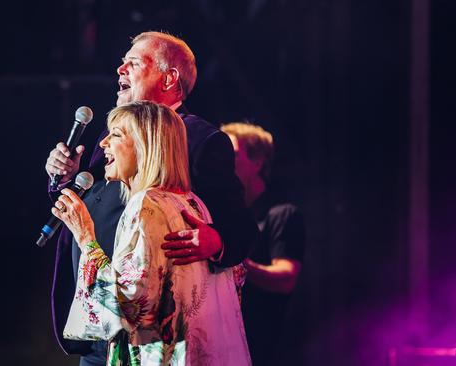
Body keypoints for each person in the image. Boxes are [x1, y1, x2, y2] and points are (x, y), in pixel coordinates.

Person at [45, 31, 257, 364]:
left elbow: (241, 228)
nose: (119, 71)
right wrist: (68, 179)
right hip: (105, 326)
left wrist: (216, 240)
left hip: (149, 332)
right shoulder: (111, 135)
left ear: (170, 77)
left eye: (132, 63)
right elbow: (99, 200)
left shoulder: (199, 139)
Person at [221, 122, 305, 366]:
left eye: (232, 154)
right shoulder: (227, 215)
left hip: (263, 348)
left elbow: (286, 277)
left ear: (257, 162)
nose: (223, 160)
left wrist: (232, 259)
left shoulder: (282, 214)